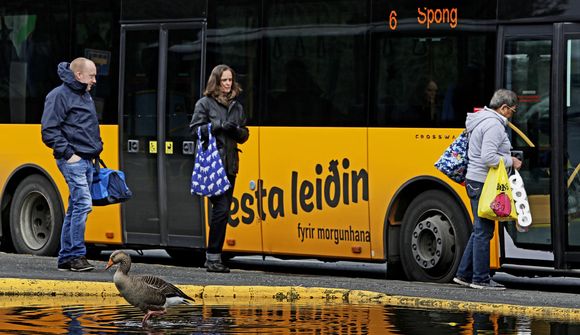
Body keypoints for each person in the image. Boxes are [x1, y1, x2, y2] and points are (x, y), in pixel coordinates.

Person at [453, 89, 522, 290]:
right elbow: (488, 157)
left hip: (476, 180)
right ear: (503, 108)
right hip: (482, 182)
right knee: (484, 231)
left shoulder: (482, 120)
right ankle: (480, 279)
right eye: (512, 111)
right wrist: (512, 161)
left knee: (479, 230)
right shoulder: (493, 125)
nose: (512, 115)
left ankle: (464, 274)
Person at [41, 57, 102, 272]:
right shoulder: (59, 95)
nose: (95, 80)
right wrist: (69, 155)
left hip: (86, 159)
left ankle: (66, 257)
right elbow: (48, 130)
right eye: (92, 75)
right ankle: (76, 256)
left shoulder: (84, 94)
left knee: (76, 206)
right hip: (73, 159)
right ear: (79, 75)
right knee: (84, 204)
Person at [189, 64, 249, 273]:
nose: (228, 84)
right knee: (221, 209)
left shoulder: (237, 106)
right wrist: (217, 127)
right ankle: (213, 257)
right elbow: (194, 130)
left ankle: (214, 257)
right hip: (213, 165)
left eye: (230, 80)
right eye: (224, 80)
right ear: (216, 81)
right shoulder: (205, 104)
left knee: (223, 212)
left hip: (230, 165)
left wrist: (237, 131)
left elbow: (244, 135)